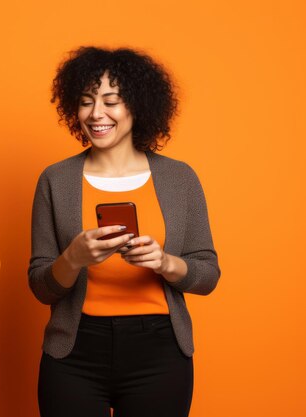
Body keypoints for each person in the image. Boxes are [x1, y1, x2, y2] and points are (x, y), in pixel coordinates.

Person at [29, 47, 220, 417]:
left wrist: (165, 263)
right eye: (85, 102)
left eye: (111, 101)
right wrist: (74, 258)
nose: (95, 114)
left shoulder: (180, 179)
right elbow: (40, 286)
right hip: (74, 351)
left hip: (161, 352)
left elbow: (208, 274)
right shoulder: (55, 179)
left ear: (139, 105)